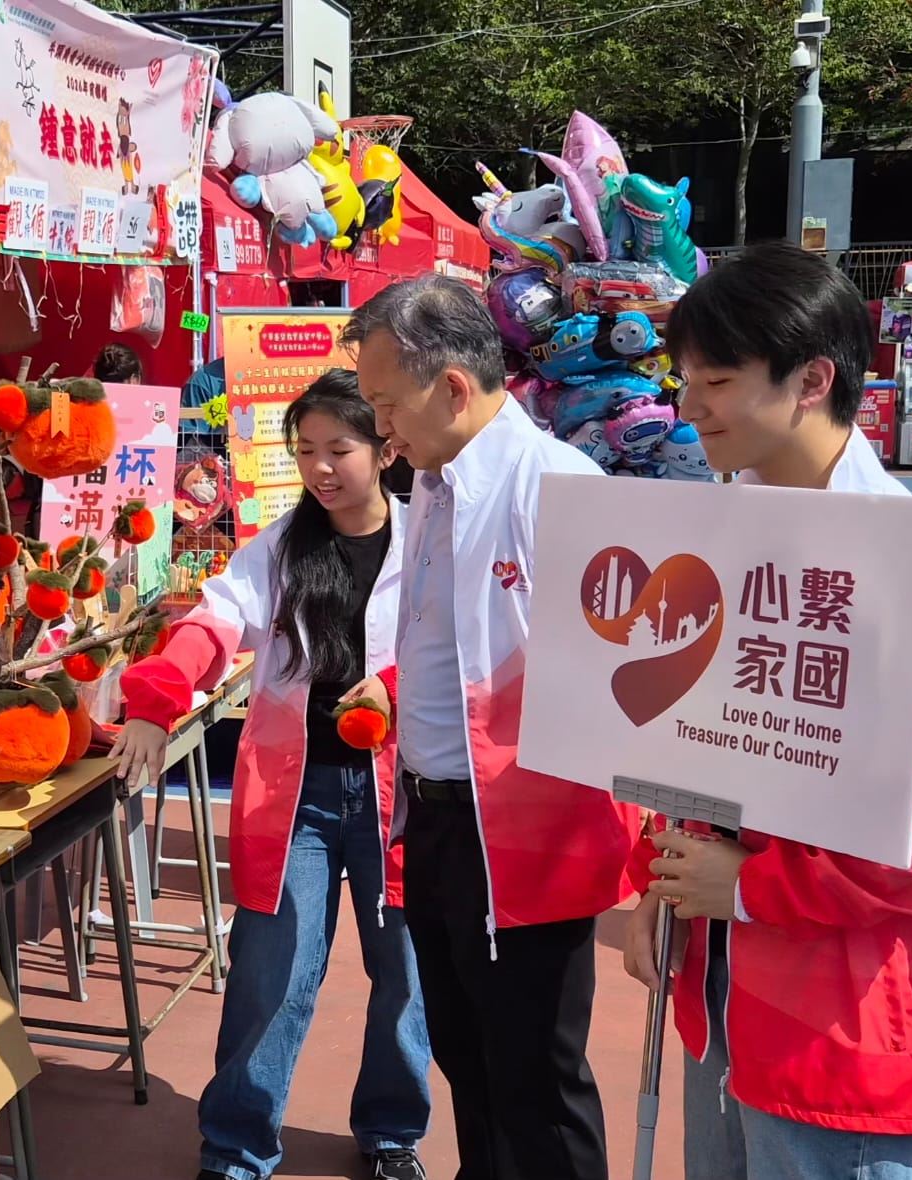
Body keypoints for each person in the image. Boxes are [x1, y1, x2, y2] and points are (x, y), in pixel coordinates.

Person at [625, 242, 912, 1180]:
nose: (688, 408)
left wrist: (752, 890)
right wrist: (665, 878)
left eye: (717, 381)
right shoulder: (724, 541)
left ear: (812, 380)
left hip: (855, 1030)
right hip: (729, 998)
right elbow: (700, 744)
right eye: (685, 380)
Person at [346, 275, 634, 1180]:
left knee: (538, 1080)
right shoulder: (433, 484)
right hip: (434, 819)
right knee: (467, 1059)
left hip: (521, 831)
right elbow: (450, 642)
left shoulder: (557, 486)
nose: (380, 429)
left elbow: (624, 675)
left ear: (452, 388)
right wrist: (396, 688)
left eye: (387, 404)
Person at [113, 370, 432, 1180]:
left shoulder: (431, 542)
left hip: (405, 794)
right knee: (273, 972)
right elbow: (213, 621)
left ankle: (392, 1132)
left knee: (407, 971)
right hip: (301, 797)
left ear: (385, 449)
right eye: (306, 450)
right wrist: (155, 700)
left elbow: (465, 651)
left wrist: (393, 690)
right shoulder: (282, 548)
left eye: (339, 449)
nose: (321, 468)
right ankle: (237, 1146)